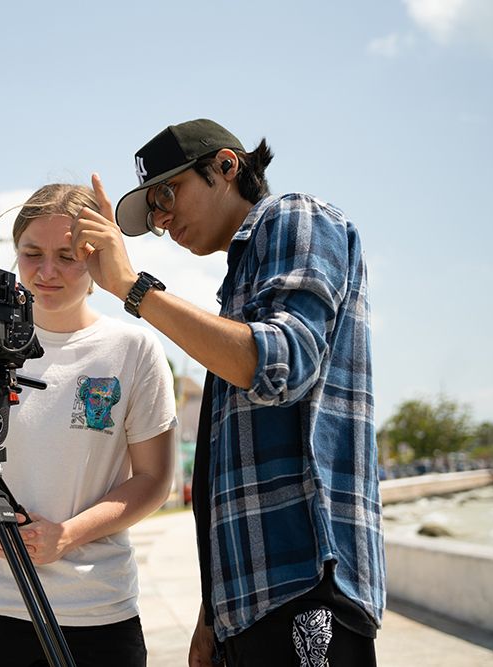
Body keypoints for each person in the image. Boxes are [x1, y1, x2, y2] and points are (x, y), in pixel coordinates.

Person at [69, 119, 385, 666]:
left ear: (226, 166)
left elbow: (279, 363)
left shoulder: (296, 217)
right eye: (152, 211)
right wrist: (211, 613)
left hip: (306, 587)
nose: (163, 220)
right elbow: (225, 470)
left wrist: (131, 287)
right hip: (247, 607)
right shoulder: (236, 287)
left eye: (168, 193)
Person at [0, 183, 179, 667]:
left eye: (67, 255)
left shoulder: (133, 349)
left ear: (96, 257)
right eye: (32, 253)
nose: (46, 271)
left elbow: (153, 479)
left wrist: (69, 534)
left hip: (97, 610)